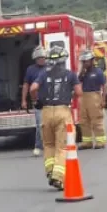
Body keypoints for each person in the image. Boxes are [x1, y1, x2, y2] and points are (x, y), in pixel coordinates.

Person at [29, 46, 82, 190]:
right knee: (62, 146)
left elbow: (33, 88)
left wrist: (36, 101)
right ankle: (58, 177)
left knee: (48, 145)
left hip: (45, 112)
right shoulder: (70, 74)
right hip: (62, 111)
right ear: (63, 59)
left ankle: (50, 171)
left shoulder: (43, 74)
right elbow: (79, 92)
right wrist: (70, 96)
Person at [77, 50, 107, 149]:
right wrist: (81, 70)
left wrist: (103, 100)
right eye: (83, 61)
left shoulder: (98, 72)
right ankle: (87, 142)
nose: (85, 63)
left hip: (95, 96)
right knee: (84, 121)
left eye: (86, 61)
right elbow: (78, 81)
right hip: (84, 97)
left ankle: (100, 141)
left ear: (92, 60)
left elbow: (104, 86)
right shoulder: (83, 73)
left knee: (96, 120)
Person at [21, 46, 48, 157]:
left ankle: (52, 145)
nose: (41, 59)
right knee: (40, 125)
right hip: (38, 102)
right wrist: (24, 100)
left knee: (52, 125)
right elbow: (26, 85)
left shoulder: (50, 68)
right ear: (35, 59)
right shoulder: (30, 69)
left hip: (50, 101)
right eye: (39, 58)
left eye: (43, 57)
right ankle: (38, 146)